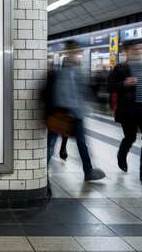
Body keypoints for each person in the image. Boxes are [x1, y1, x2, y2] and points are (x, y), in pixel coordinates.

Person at [45, 41, 105, 181]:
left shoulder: (77, 70)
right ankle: (43, 172)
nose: (77, 53)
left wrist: (95, 102)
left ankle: (88, 171)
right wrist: (70, 109)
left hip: (75, 113)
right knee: (52, 143)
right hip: (62, 114)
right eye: (74, 50)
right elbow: (62, 92)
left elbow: (84, 90)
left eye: (78, 51)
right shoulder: (62, 71)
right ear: (67, 51)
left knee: (81, 142)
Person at [108, 39, 142, 186]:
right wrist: (124, 84)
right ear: (127, 51)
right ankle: (122, 154)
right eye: (134, 49)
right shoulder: (120, 68)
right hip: (129, 110)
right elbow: (110, 86)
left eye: (140, 49)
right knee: (130, 137)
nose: (138, 52)